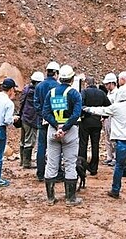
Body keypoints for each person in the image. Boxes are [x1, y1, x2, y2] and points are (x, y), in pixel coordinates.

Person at [83, 84, 126, 211]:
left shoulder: (116, 107)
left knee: (119, 166)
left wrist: (86, 109)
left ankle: (115, 189)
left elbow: (101, 110)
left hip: (123, 143)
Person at [42, 64, 83, 206]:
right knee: (70, 164)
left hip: (53, 131)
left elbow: (45, 112)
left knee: (52, 164)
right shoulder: (74, 94)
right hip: (70, 131)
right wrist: (64, 128)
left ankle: (50, 198)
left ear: (59, 78)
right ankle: (70, 198)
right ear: (72, 79)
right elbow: (76, 113)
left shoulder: (51, 93)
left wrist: (56, 126)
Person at [33, 61, 60, 181]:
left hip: (41, 121)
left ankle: (40, 173)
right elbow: (59, 106)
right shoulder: (58, 86)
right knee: (56, 147)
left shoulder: (39, 86)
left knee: (41, 146)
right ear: (56, 73)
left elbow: (36, 104)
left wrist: (43, 115)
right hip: (54, 122)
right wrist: (53, 119)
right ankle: (55, 172)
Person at [79, 76, 111, 176]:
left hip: (85, 122)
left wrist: (81, 115)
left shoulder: (84, 92)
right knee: (95, 145)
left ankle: (82, 167)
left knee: (83, 144)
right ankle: (94, 168)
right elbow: (108, 106)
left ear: (86, 83)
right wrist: (103, 116)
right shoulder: (101, 93)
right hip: (97, 122)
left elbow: (80, 105)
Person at [18, 71, 44, 169]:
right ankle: (26, 163)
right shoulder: (36, 93)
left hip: (24, 117)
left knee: (23, 140)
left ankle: (22, 160)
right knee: (29, 141)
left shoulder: (26, 89)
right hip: (32, 119)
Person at [101, 72, 118, 166]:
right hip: (107, 118)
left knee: (113, 138)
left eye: (107, 84)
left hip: (113, 118)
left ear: (112, 83)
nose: (106, 86)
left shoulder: (117, 94)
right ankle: (109, 156)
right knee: (107, 137)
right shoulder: (109, 93)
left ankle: (115, 157)